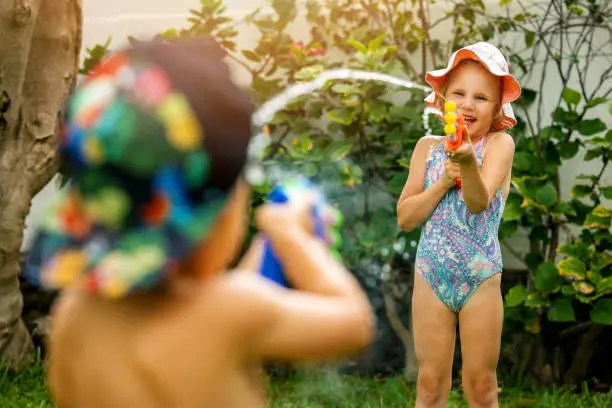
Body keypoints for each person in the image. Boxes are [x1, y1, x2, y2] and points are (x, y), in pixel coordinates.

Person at [25, 37, 375, 408]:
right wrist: (293, 239)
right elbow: (352, 322)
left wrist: (267, 248)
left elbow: (229, 298)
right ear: (215, 211)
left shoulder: (75, 318)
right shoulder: (230, 313)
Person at [396, 42, 521, 408]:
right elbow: (405, 218)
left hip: (479, 278)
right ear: (442, 99)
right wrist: (443, 181)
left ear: (498, 107)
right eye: (459, 94)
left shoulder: (499, 144)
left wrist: (466, 161)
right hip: (431, 275)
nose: (468, 104)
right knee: (431, 384)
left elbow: (479, 201)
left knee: (481, 386)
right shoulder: (427, 148)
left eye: (481, 97)